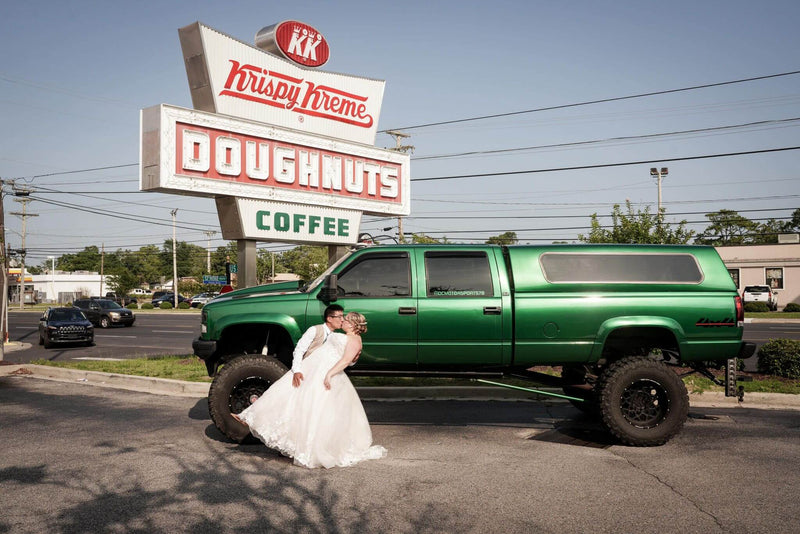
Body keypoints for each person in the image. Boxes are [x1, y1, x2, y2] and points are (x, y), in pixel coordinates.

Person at [233, 311, 386, 468]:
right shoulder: (342, 335)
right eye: (341, 318)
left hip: (325, 373)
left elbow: (347, 360)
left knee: (315, 409)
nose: (343, 321)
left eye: (346, 319)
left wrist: (329, 374)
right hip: (313, 368)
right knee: (286, 393)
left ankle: (308, 446)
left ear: (353, 324)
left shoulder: (354, 340)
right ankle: (252, 415)